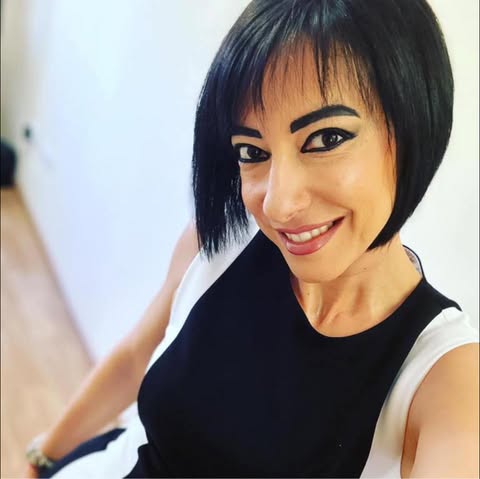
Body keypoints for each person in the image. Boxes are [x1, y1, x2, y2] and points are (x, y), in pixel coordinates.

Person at [25, 0, 479, 477]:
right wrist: (42, 459)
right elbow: (137, 356)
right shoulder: (219, 243)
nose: (278, 204)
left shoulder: (444, 376)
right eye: (252, 151)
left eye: (325, 139)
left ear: (410, 126)